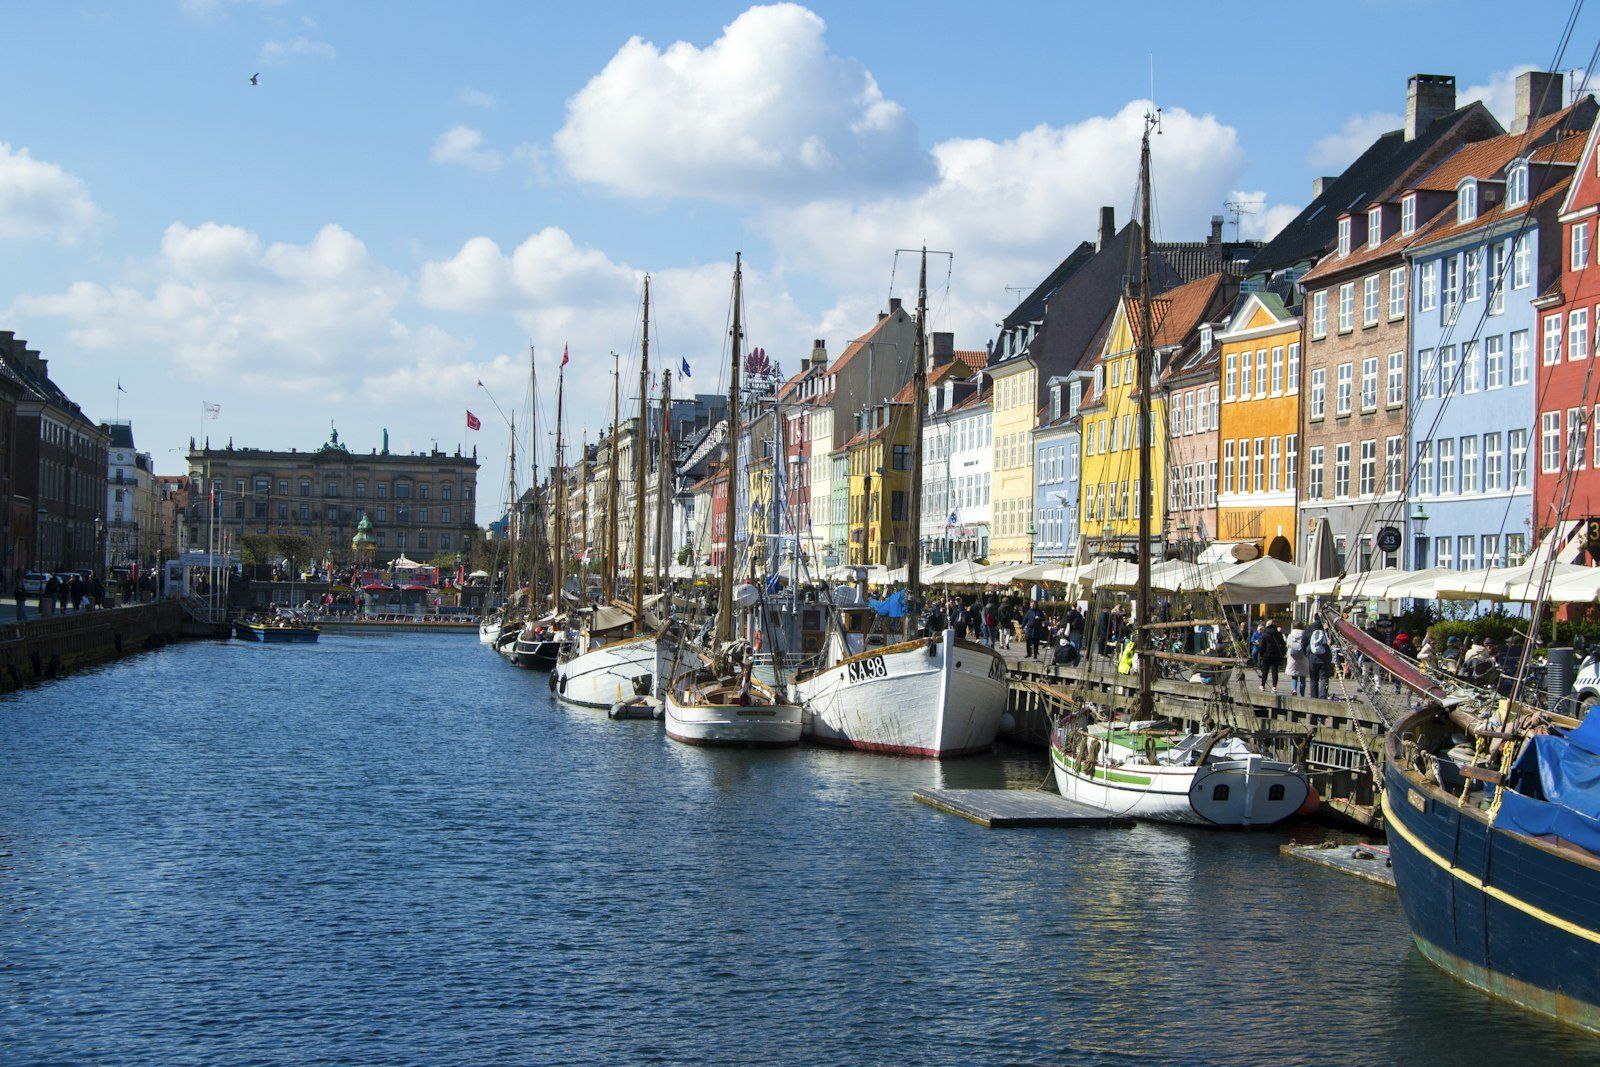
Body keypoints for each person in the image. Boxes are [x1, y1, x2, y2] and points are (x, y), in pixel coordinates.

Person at [1258, 620, 1287, 692]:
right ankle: (1274, 687)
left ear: (1267, 626)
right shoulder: (1278, 634)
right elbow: (1283, 645)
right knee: (1275, 671)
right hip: (1276, 655)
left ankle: (1263, 685)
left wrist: (1261, 654)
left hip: (1266, 655)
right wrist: (1282, 654)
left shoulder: (1264, 634)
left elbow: (1262, 646)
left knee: (1265, 671)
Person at [1308, 623, 1333, 699]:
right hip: (1325, 658)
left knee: (1313, 679)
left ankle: (1313, 697)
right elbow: (1333, 642)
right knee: (1324, 678)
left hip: (1313, 657)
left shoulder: (1309, 630)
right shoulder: (1327, 631)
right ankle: (1323, 695)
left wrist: (1307, 653)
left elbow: (1303, 642)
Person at [1286, 621, 1308, 697]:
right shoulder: (1305, 634)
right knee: (1303, 677)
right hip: (1303, 657)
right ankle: (1302, 694)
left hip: (1293, 658)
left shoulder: (1290, 635)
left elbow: (1288, 645)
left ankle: (1294, 689)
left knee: (1294, 676)